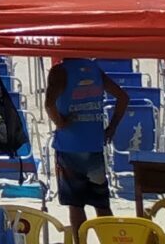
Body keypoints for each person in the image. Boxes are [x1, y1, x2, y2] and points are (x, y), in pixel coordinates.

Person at [45, 56, 131, 225]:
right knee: (101, 203)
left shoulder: (59, 71)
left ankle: (79, 238)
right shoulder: (94, 69)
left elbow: (49, 104)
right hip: (94, 145)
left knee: (76, 204)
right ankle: (109, 237)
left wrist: (60, 122)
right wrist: (112, 127)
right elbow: (123, 97)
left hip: (69, 146)